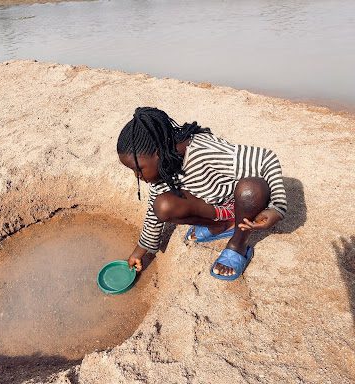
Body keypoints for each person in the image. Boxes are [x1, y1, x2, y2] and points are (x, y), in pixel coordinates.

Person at [117, 107, 287, 281]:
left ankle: (238, 245)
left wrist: (277, 207)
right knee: (163, 206)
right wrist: (139, 252)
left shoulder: (201, 149)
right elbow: (154, 215)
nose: (137, 176)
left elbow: (267, 159)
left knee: (251, 188)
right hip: (218, 208)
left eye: (138, 170)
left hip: (244, 204)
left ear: (158, 154)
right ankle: (222, 226)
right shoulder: (164, 168)